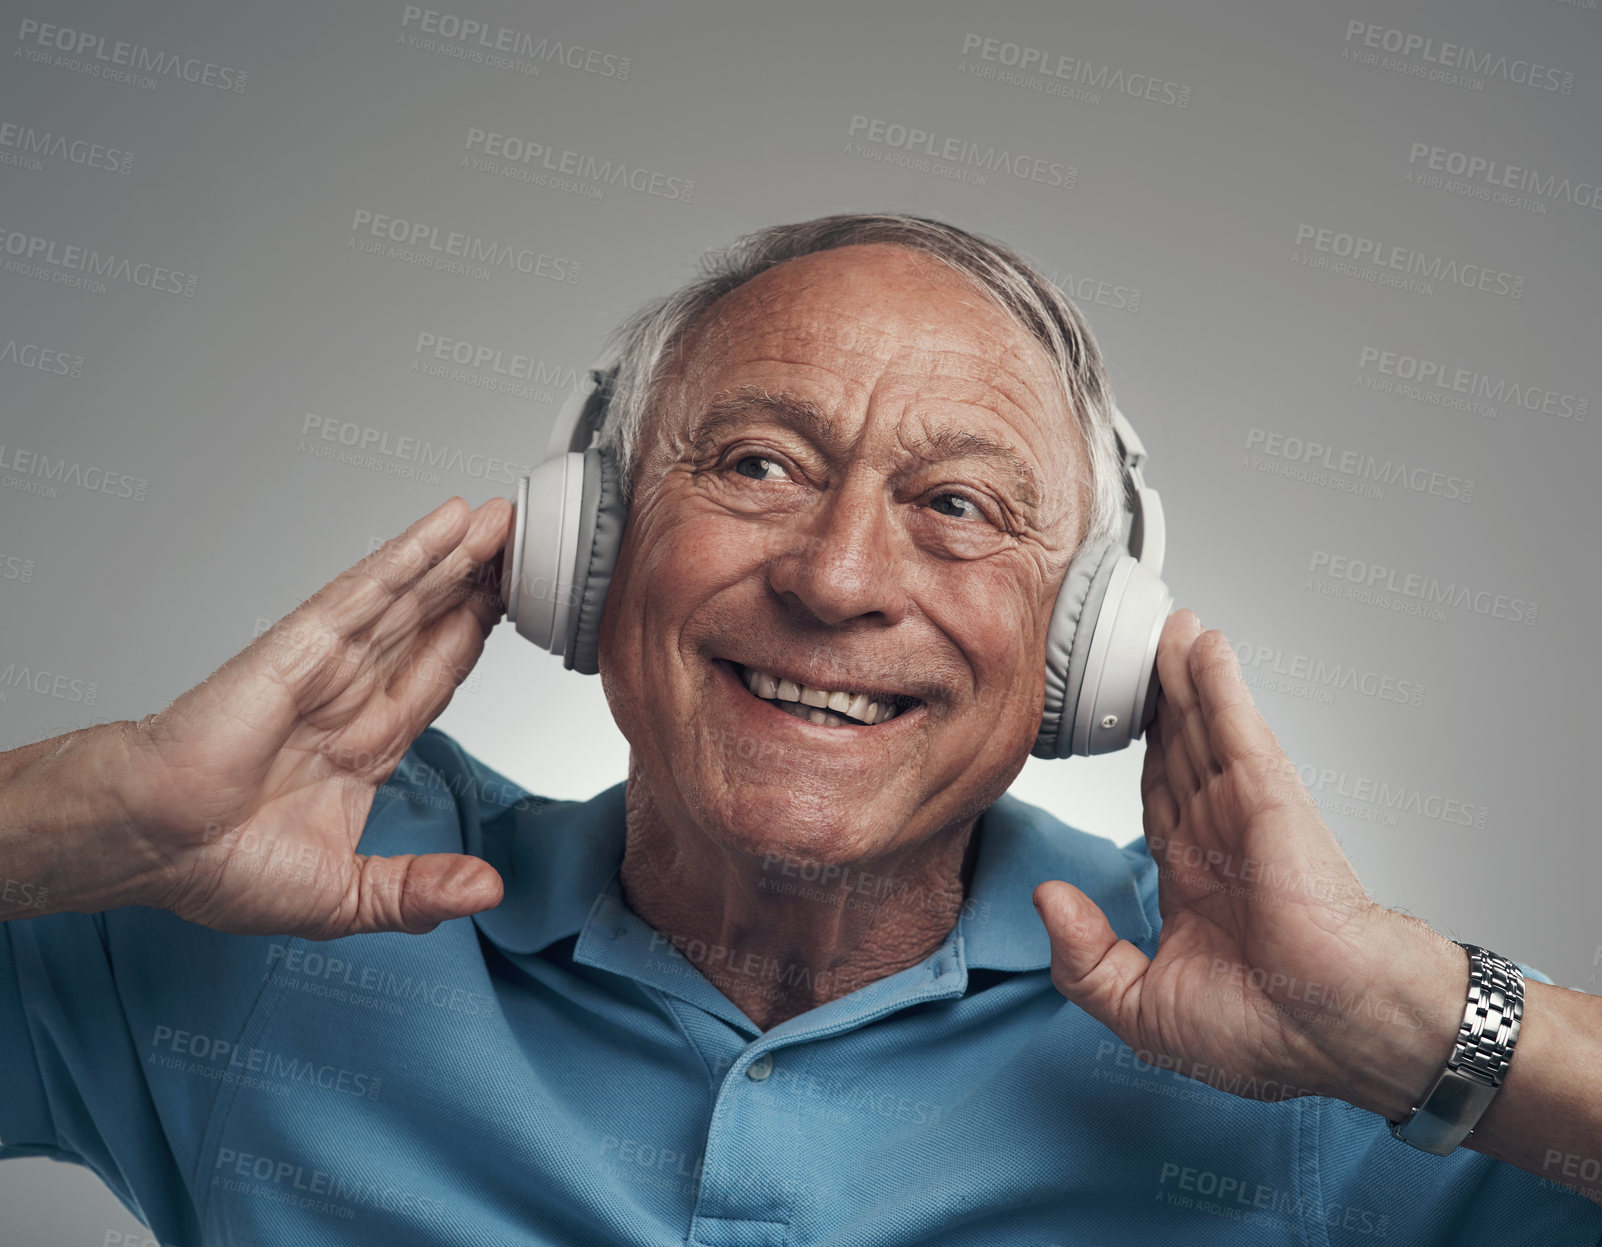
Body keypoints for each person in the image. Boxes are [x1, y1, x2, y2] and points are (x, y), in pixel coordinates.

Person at [2, 214, 1598, 1246]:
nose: (840, 579)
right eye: (756, 465)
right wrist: (85, 820)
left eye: (956, 507)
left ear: (1082, 644)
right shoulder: (256, 903)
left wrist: (1408, 1018)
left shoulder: (1286, 1039)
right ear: (595, 553)